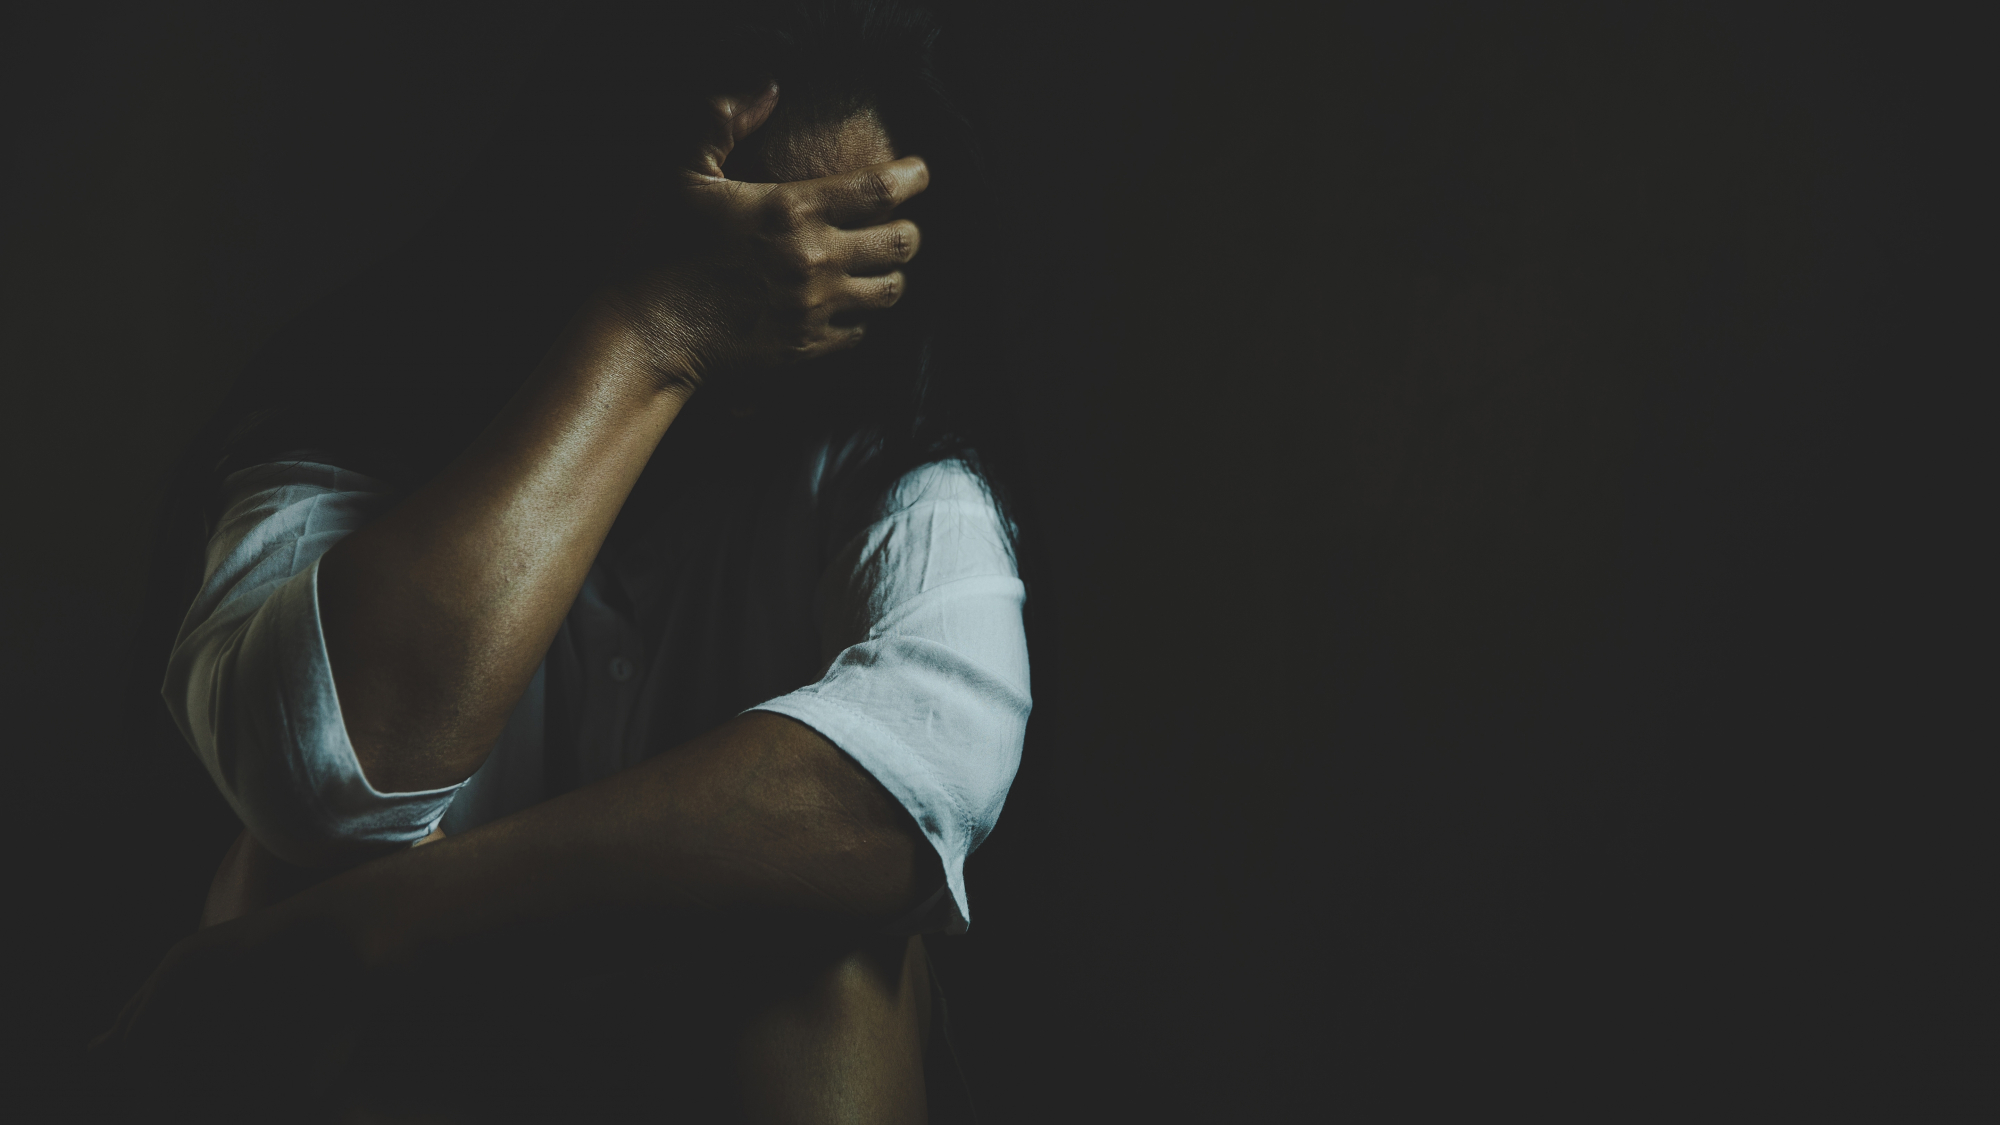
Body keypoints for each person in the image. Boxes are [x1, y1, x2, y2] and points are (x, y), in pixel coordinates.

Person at [91, 2, 1028, 1120]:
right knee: (285, 866)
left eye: (827, 263)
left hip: (699, 1069)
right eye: (734, 244)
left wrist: (366, 928)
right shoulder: (350, 426)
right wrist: (653, 330)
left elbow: (917, 775)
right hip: (419, 1074)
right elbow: (322, 772)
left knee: (822, 965)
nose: (771, 289)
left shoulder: (889, 475)